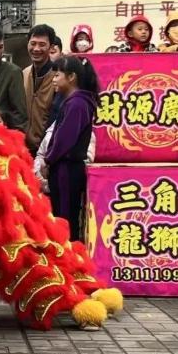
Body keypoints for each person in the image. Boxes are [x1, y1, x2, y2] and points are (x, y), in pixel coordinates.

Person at [42, 56, 99, 242]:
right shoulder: (74, 102)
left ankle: (69, 261)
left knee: (65, 219)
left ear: (71, 77)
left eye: (58, 74)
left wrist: (49, 159)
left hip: (67, 168)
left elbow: (64, 139)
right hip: (64, 167)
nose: (54, 79)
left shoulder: (78, 104)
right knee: (62, 215)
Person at [23, 24, 58, 155]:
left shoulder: (58, 77)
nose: (36, 49)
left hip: (47, 150)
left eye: (42, 44)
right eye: (33, 43)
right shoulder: (23, 73)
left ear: (51, 47)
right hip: (23, 149)